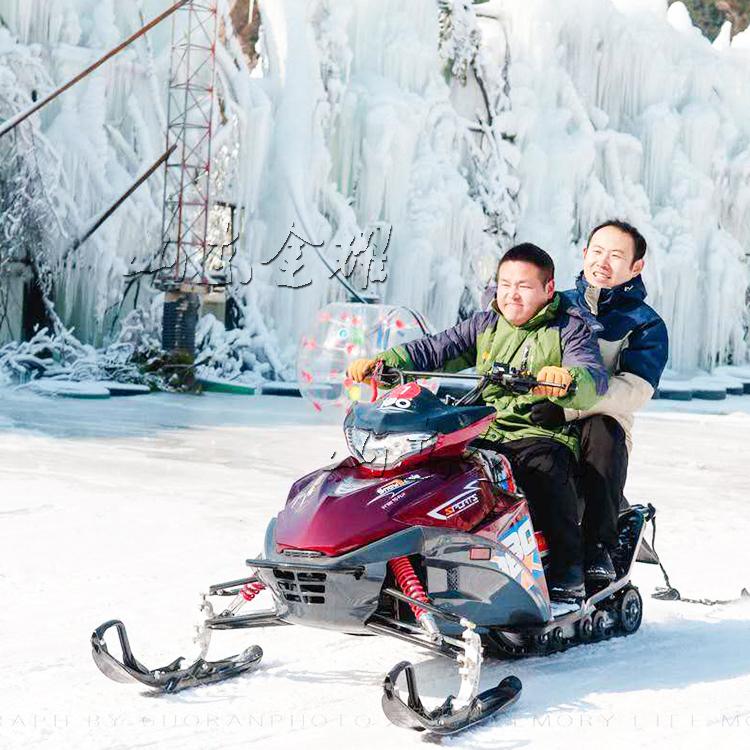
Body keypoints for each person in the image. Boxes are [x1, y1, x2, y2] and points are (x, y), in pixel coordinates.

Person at [348, 243, 608, 601]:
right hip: (483, 429)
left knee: (545, 469)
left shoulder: (570, 328)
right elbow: (437, 349)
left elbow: (593, 378)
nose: (511, 295)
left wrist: (568, 380)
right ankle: (422, 560)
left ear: (548, 289)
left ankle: (568, 571)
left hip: (539, 430)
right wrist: (385, 362)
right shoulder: (486, 323)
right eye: (505, 284)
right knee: (431, 469)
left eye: (524, 286)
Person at [529, 220, 669, 583]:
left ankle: (598, 547)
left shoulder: (644, 324)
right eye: (597, 251)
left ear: (636, 267)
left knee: (602, 431)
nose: (603, 262)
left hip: (599, 422)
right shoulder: (557, 305)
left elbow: (633, 389)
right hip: (537, 412)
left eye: (616, 256)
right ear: (584, 254)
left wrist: (570, 405)